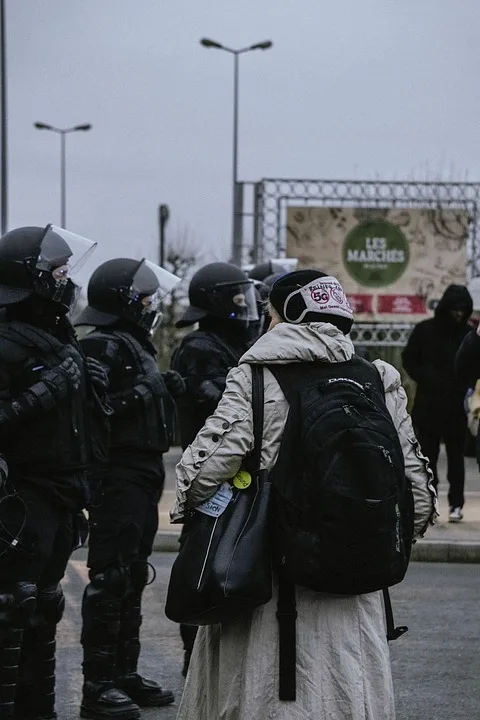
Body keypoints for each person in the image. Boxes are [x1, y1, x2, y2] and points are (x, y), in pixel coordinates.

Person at [171, 269, 436, 720]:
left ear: (281, 316)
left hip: (272, 590)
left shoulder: (257, 376)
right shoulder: (378, 377)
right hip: (356, 591)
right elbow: (418, 492)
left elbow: (200, 476)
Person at [0, 224, 103, 720]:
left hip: (62, 493)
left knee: (44, 606)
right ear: (33, 277)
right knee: (13, 606)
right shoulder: (5, 339)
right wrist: (45, 389)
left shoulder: (55, 337)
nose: (66, 279)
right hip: (22, 496)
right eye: (58, 271)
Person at [75, 258, 184, 720]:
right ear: (122, 300)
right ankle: (98, 684)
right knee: (111, 576)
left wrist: (161, 388)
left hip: (142, 469)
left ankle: (123, 674)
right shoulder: (102, 344)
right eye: (142, 296)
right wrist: (150, 389)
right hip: (117, 472)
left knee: (134, 574)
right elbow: (93, 411)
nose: (149, 304)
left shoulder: (132, 343)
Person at [170, 261, 258, 675]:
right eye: (238, 297)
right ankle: (197, 663)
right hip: (212, 478)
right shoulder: (202, 346)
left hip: (231, 476)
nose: (246, 305)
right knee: (204, 568)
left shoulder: (227, 344)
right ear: (217, 301)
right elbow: (218, 403)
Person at [402, 284, 473, 522]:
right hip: (429, 405)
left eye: (463, 310)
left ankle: (456, 504)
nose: (459, 314)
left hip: (456, 407)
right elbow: (408, 358)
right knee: (427, 458)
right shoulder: (425, 331)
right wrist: (427, 378)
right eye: (455, 309)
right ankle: (428, 503)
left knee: (456, 458)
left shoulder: (468, 335)